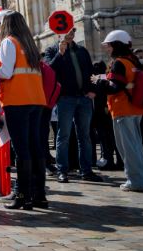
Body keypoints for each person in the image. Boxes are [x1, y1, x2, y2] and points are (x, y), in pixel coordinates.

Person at [0, 12, 47, 210]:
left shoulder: (9, 42)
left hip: (17, 100)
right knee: (35, 146)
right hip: (36, 99)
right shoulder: (30, 44)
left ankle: (23, 195)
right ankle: (39, 194)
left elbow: (5, 72)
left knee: (22, 148)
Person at [93, 30, 143, 192]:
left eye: (109, 46)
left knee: (127, 148)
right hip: (136, 108)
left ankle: (136, 181)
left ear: (116, 45)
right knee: (137, 146)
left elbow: (115, 87)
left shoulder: (119, 63)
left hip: (122, 108)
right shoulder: (133, 61)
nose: (107, 49)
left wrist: (99, 81)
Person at [43, 28, 102, 183]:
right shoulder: (52, 50)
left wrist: (93, 90)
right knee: (63, 135)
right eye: (67, 32)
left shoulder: (82, 50)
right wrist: (60, 53)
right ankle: (62, 170)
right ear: (59, 33)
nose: (70, 34)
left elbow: (91, 72)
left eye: (72, 31)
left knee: (85, 136)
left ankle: (86, 170)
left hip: (84, 98)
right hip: (65, 99)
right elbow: (49, 71)